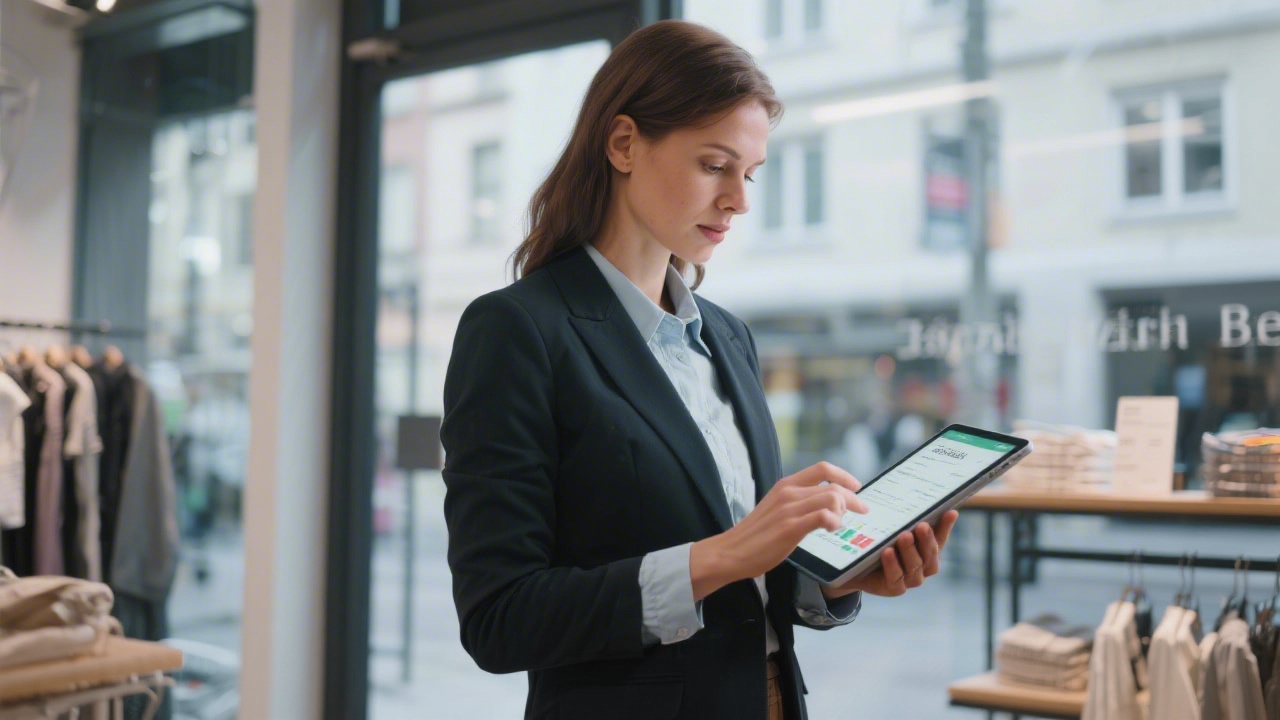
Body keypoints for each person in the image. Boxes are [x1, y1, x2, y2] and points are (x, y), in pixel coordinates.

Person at [441, 19, 959, 720]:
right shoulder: (518, 330)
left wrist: (835, 580)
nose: (740, 199)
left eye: (750, 173)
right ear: (624, 144)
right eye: (715, 166)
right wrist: (721, 555)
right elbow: (499, 618)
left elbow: (751, 589)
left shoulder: (726, 336)